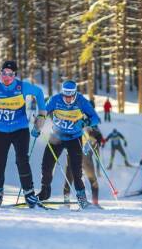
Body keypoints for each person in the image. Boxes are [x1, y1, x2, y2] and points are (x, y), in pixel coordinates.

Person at [0, 60, 46, 208]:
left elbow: (39, 92)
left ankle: (30, 195)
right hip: (1, 132)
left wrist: (42, 114)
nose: (6, 77)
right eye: (3, 73)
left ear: (15, 75)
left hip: (20, 130)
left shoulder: (21, 87)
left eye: (10, 74)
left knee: (22, 161)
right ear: (0, 74)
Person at [37, 80, 100, 209]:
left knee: (76, 170)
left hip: (74, 138)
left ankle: (81, 198)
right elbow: (43, 112)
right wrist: (38, 123)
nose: (68, 99)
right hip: (57, 137)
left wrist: (84, 122)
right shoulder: (55, 100)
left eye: (71, 96)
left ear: (75, 94)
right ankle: (44, 193)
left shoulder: (81, 101)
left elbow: (95, 118)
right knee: (46, 165)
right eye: (66, 96)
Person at [63, 126, 103, 206]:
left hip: (86, 161)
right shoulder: (75, 129)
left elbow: (97, 153)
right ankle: (66, 202)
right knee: (68, 180)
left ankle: (95, 202)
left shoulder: (94, 135)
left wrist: (98, 168)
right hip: (72, 159)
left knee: (93, 181)